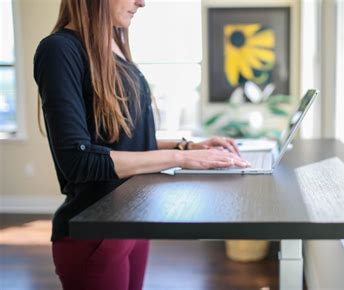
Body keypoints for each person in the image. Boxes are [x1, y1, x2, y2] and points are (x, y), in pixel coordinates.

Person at [33, 0, 249, 289]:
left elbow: (122, 141)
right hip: (95, 232)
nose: (142, 2)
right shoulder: (59, 50)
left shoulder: (113, 45)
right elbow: (79, 160)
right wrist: (180, 159)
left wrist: (186, 147)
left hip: (132, 220)